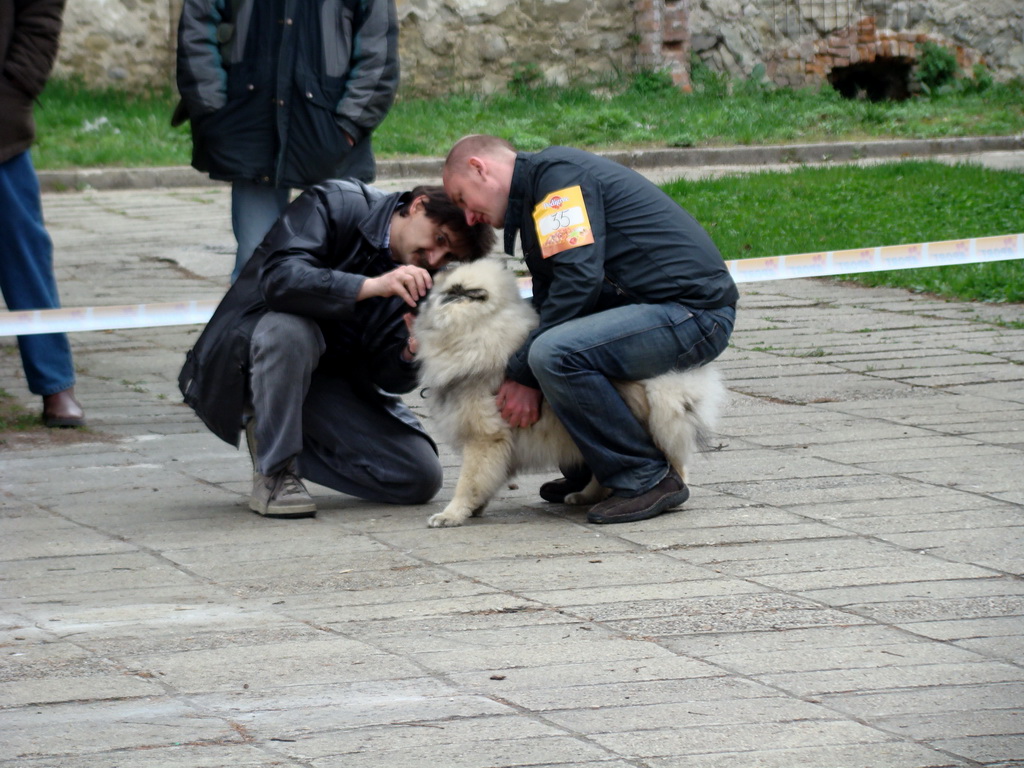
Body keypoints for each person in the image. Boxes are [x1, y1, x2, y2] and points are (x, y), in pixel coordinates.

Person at [442, 135, 738, 525]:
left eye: (464, 199)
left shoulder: (557, 184)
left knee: (553, 354)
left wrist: (522, 375)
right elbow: (554, 293)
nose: (469, 217)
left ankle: (644, 476)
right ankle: (587, 464)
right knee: (506, 328)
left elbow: (578, 281)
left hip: (693, 315)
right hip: (653, 308)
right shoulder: (538, 192)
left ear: (481, 169)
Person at [178, 182, 495, 518]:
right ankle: (274, 473)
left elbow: (386, 378)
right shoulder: (335, 203)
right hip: (253, 360)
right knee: (290, 331)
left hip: (328, 382)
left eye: (448, 258)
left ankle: (275, 433)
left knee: (417, 477)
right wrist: (369, 287)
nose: (433, 258)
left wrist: (411, 352)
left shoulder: (422, 278)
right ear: (418, 206)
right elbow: (279, 280)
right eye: (440, 239)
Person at [174, 0, 399, 282]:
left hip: (330, 137)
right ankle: (249, 327)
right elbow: (197, 27)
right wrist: (212, 109)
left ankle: (317, 328)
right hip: (251, 128)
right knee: (254, 263)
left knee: (334, 269)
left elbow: (378, 51)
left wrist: (349, 126)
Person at [0, 0, 85, 428]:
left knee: (24, 256)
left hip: (1, 129)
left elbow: (39, 24)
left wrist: (13, 91)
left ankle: (55, 383)